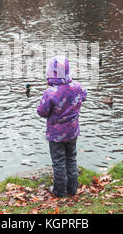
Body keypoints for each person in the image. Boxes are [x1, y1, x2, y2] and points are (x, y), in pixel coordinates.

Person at [37, 55, 87, 197]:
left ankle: (60, 191)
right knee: (71, 158)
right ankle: (72, 189)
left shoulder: (50, 92)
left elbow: (41, 112)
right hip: (72, 131)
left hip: (56, 135)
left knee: (58, 162)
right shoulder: (77, 87)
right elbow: (84, 96)